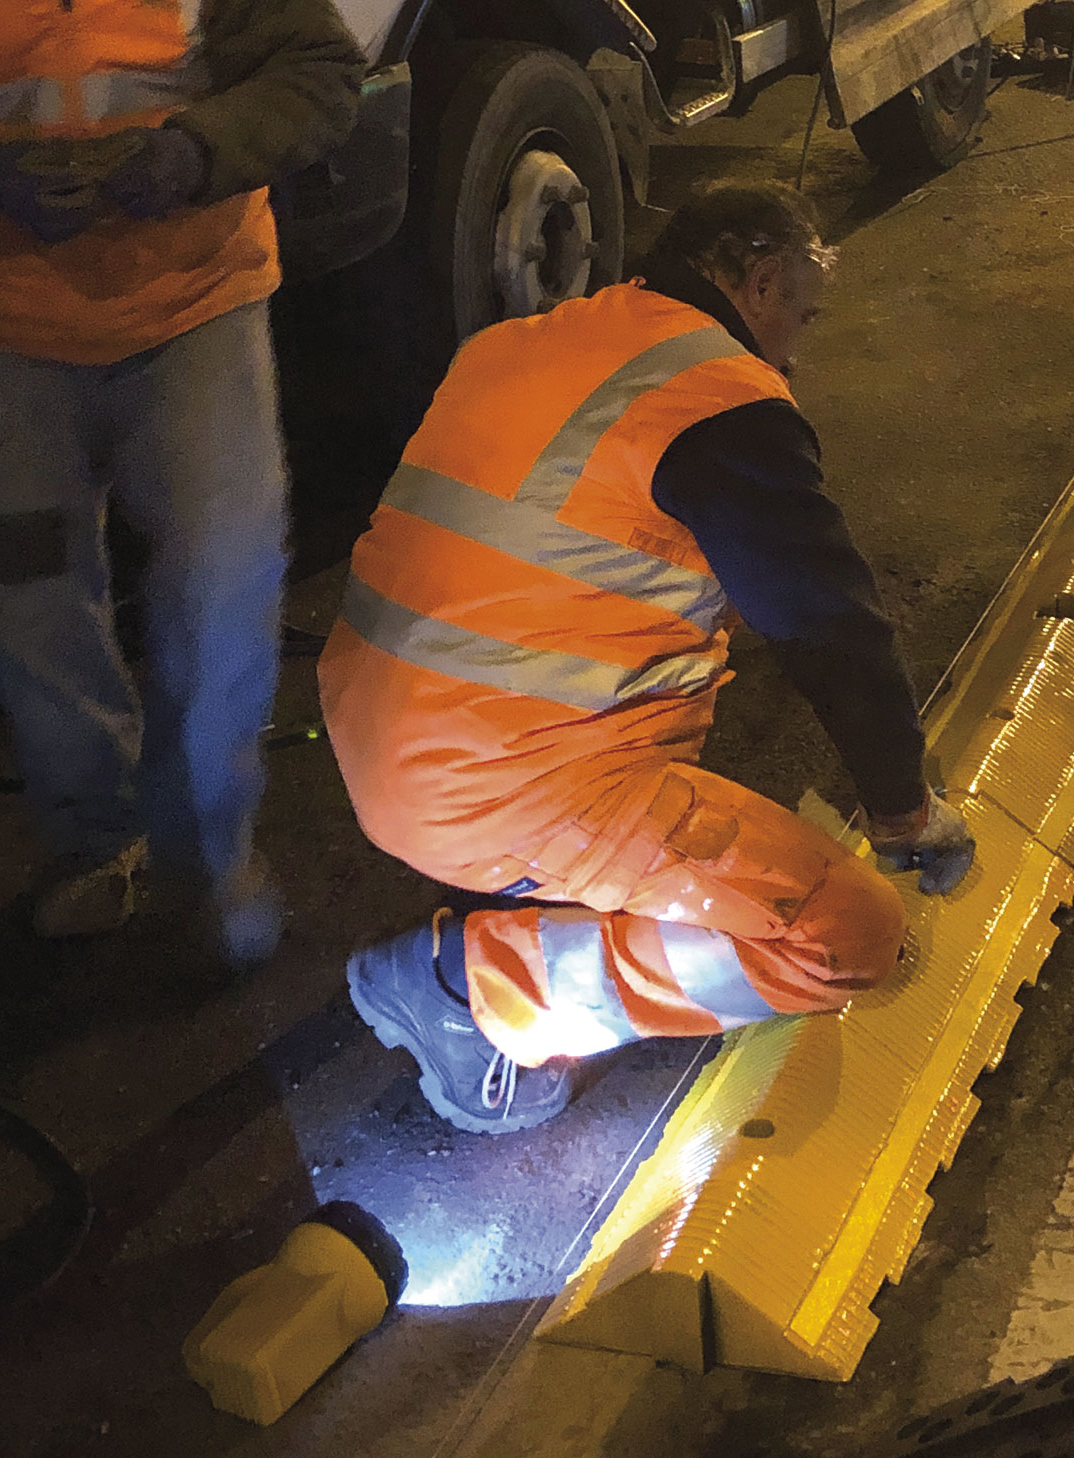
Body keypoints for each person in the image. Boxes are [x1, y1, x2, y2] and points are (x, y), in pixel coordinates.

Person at [322, 183, 978, 1134]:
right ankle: (474, 991)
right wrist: (902, 808)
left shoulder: (531, 340)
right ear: (758, 283)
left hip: (379, 734)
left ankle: (503, 896)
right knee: (852, 940)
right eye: (799, 313)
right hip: (500, 786)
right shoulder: (722, 397)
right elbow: (827, 627)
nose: (795, 347)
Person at [0, 0, 364, 964]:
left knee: (221, 596)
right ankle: (100, 845)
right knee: (29, 602)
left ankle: (208, 867)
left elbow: (318, 72)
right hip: (1, 322)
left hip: (196, 305)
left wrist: (196, 151)